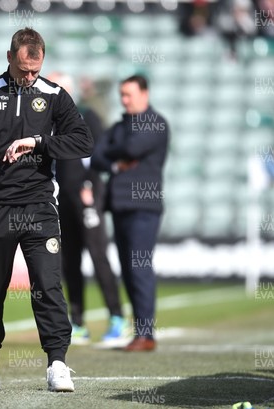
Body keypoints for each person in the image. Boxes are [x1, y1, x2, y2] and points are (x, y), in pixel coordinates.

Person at [0, 28, 93, 393]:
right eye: (23, 70)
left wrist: (38, 142)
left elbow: (83, 140)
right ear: (9, 57)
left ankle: (58, 363)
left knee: (47, 286)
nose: (29, 77)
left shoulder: (53, 96)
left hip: (39, 208)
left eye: (35, 70)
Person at [47, 72, 129, 347]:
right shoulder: (47, 120)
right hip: (61, 198)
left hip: (86, 196)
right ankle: (78, 322)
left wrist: (90, 185)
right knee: (69, 261)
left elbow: (100, 154)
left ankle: (117, 317)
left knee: (98, 256)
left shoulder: (86, 116)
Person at [92, 75, 169, 352]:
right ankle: (140, 330)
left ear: (144, 94)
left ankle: (146, 334)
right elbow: (98, 155)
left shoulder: (156, 123)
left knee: (139, 267)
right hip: (120, 205)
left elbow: (133, 147)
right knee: (127, 269)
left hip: (144, 208)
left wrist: (116, 154)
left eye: (129, 94)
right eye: (122, 95)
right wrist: (118, 161)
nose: (125, 100)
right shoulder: (120, 125)